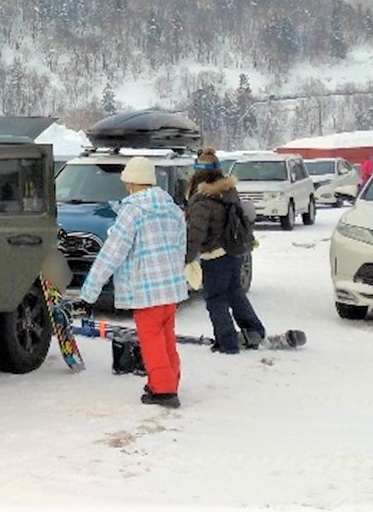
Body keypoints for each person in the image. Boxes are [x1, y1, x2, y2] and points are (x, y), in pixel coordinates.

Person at [78, 156, 188, 409]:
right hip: (170, 288)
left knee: (152, 341)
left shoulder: (133, 210)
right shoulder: (171, 208)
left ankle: (163, 390)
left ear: (131, 181)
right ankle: (170, 381)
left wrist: (90, 291)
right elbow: (181, 246)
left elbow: (111, 253)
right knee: (166, 338)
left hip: (145, 288)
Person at [185, 148, 266, 354]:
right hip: (234, 250)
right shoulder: (228, 191)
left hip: (214, 255)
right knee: (234, 293)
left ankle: (227, 342)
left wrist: (186, 257)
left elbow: (196, 233)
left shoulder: (202, 199)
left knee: (215, 299)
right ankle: (254, 330)